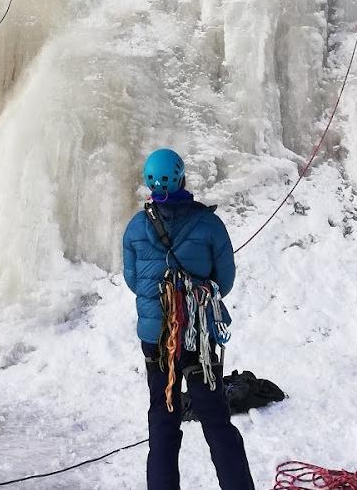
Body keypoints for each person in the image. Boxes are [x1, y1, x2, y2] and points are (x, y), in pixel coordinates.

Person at [123, 149, 255, 490]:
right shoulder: (208, 224)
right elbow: (223, 282)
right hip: (197, 337)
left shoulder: (137, 227)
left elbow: (134, 280)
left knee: (162, 421)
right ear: (181, 178)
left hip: (156, 338)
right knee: (216, 421)